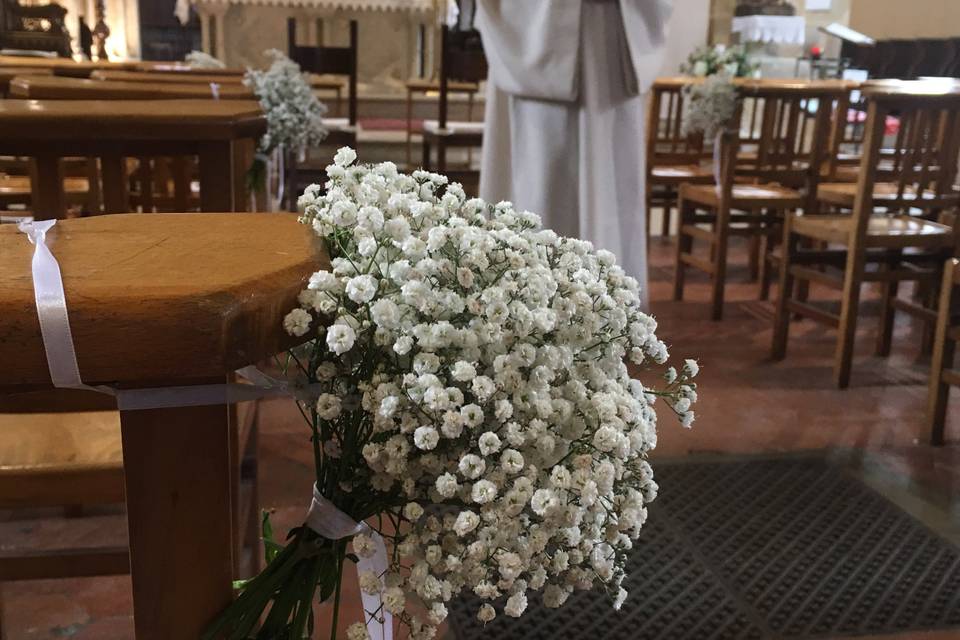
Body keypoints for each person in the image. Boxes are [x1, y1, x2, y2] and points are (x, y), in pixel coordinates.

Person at [476, 0, 671, 305]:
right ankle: (526, 306)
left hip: (606, 42)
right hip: (537, 33)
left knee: (604, 182)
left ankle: (605, 308)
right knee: (539, 186)